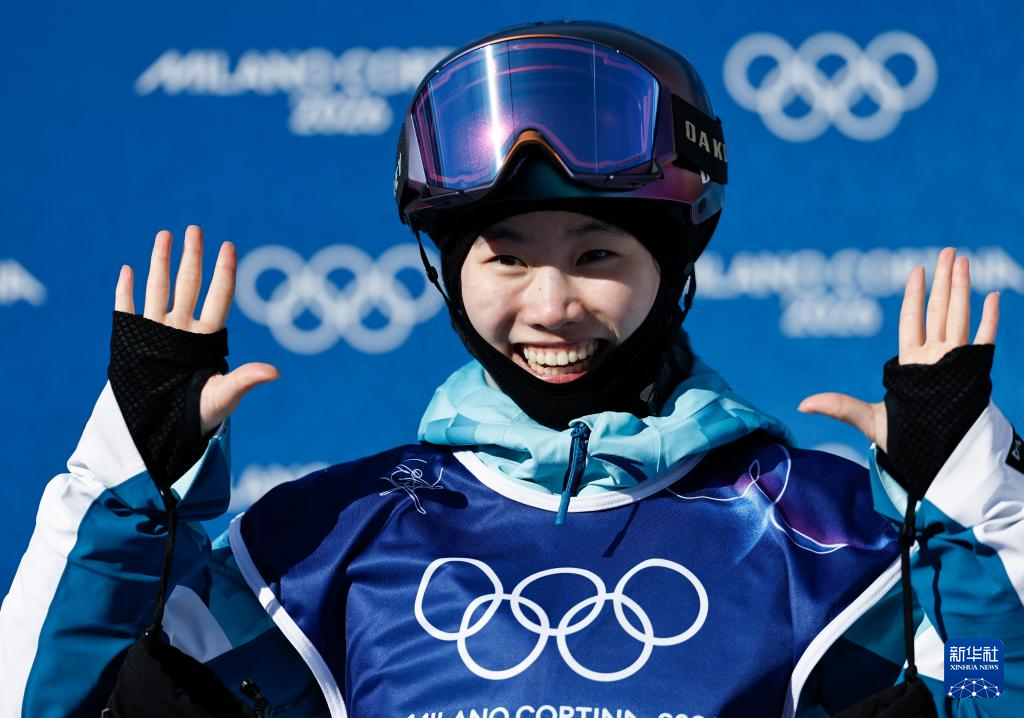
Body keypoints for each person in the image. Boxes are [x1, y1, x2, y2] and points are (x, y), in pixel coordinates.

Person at [1, 19, 1020, 718]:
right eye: (505, 258)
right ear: (447, 272)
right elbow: (52, 704)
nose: (550, 306)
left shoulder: (829, 536)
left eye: (598, 255)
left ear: (674, 266)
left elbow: (987, 692)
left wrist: (974, 510)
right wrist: (129, 483)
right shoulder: (317, 546)